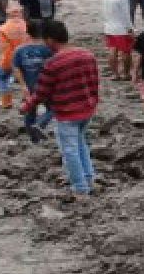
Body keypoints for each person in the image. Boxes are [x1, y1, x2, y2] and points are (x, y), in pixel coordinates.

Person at [21, 20, 99, 195]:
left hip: (67, 111)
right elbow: (95, 82)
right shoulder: (88, 55)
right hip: (87, 107)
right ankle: (88, 178)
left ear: (49, 40)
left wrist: (27, 106)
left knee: (70, 149)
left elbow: (41, 93)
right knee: (81, 143)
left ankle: (80, 188)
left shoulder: (53, 64)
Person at [12, 20, 55, 141]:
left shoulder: (19, 50)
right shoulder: (48, 49)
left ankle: (33, 139)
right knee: (53, 108)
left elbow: (16, 68)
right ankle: (40, 124)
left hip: (29, 85)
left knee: (30, 112)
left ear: (27, 31)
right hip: (46, 86)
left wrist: (22, 85)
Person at [0, 6, 30, 109]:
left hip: (9, 58)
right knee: (26, 79)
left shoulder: (2, 28)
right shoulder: (26, 25)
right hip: (25, 57)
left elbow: (3, 46)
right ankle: (28, 99)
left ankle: (6, 102)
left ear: (8, 14)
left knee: (1, 78)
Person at [100, 0, 134, 81]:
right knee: (126, 52)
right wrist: (130, 29)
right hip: (121, 29)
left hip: (109, 27)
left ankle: (115, 74)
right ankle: (126, 73)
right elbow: (126, 14)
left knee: (112, 50)